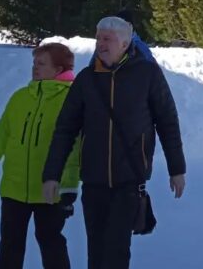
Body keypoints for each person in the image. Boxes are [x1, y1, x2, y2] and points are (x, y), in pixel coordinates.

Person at [42, 17, 186, 269]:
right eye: (98, 38)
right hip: (94, 181)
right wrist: (51, 174)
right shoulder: (86, 79)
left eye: (106, 39)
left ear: (124, 43)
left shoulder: (147, 74)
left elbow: (167, 122)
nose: (100, 43)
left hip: (129, 180)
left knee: (117, 251)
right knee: (96, 251)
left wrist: (177, 168)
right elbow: (65, 129)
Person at [0, 42, 79, 269]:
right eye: (34, 63)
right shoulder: (20, 98)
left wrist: (68, 189)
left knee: (51, 244)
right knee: (10, 245)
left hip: (50, 191)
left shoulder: (71, 101)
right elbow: (0, 139)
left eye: (41, 64)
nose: (35, 68)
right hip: (13, 189)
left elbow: (74, 149)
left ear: (58, 69)